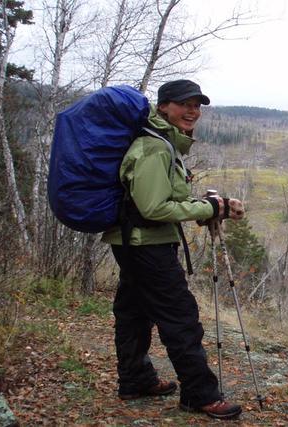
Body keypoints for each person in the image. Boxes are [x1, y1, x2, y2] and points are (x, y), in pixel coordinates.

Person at [102, 79, 244, 420]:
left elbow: (168, 199)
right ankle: (200, 394)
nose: (193, 111)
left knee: (134, 310)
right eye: (185, 104)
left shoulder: (163, 142)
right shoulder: (154, 148)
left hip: (135, 242)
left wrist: (211, 204)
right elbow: (154, 208)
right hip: (145, 244)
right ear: (164, 106)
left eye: (197, 105)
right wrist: (208, 210)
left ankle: (135, 380)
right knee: (180, 317)